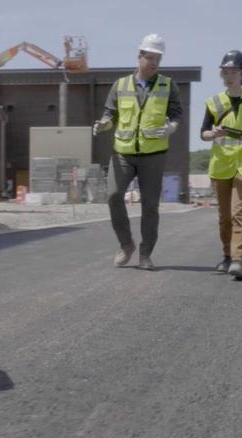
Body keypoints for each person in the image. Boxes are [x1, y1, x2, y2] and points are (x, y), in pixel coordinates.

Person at [93, 33, 182, 270]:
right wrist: (104, 124)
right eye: (150, 57)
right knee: (113, 195)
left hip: (153, 154)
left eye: (158, 59)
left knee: (150, 206)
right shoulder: (120, 85)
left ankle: (145, 254)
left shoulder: (168, 85)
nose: (154, 63)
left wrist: (171, 127)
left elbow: (176, 114)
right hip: (123, 152)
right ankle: (126, 244)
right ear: (139, 56)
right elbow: (110, 114)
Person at [200, 50, 242, 280]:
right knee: (225, 216)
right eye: (226, 72)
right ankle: (227, 256)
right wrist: (214, 133)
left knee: (239, 212)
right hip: (221, 165)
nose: (229, 76)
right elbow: (204, 134)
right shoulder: (213, 102)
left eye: (234, 72)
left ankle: (238, 260)